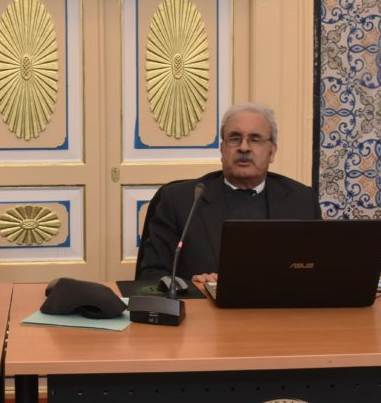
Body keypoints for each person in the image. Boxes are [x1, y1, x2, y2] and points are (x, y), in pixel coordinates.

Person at [137, 103, 321, 286]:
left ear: (272, 151)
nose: (244, 147)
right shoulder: (180, 200)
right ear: (222, 149)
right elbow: (151, 276)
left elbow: (320, 272)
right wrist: (192, 287)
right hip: (204, 305)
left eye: (255, 139)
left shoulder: (301, 199)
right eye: (234, 138)